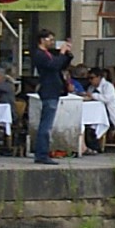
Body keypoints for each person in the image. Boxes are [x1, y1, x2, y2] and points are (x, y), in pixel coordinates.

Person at [30, 31, 72, 163]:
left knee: (48, 123)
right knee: (46, 124)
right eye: (50, 39)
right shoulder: (39, 54)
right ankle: (42, 154)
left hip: (54, 89)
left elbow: (60, 65)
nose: (52, 42)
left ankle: (42, 152)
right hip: (49, 90)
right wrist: (61, 53)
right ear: (42, 40)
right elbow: (53, 65)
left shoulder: (49, 54)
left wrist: (67, 54)